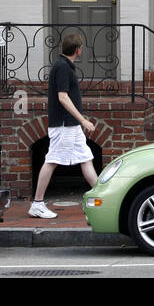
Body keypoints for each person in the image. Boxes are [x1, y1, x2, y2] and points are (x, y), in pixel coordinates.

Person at [28, 33, 99, 220]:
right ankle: (37, 204)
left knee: (86, 158)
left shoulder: (65, 66)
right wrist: (83, 120)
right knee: (52, 160)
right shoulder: (62, 68)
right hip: (64, 125)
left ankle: (100, 198)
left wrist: (79, 122)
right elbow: (63, 97)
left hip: (71, 126)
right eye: (81, 47)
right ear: (78, 50)